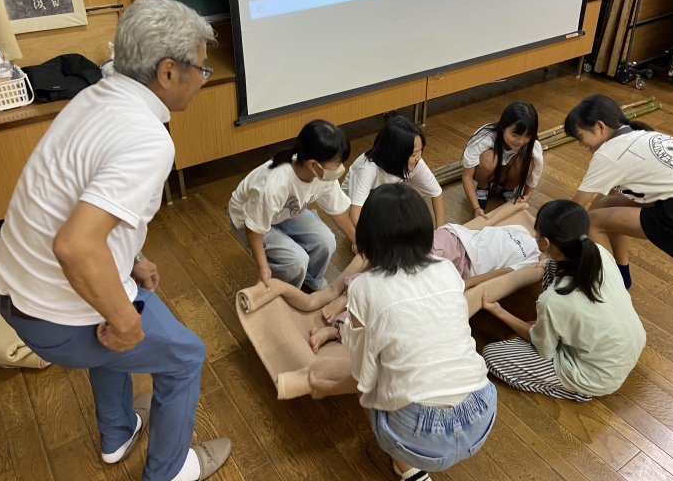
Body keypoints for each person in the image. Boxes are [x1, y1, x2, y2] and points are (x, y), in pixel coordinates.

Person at [0, 0, 232, 481]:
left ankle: (117, 433)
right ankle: (169, 472)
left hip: (12, 292)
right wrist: (124, 322)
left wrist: (132, 258)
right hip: (54, 315)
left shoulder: (94, 96)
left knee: (118, 315)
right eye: (202, 70)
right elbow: (76, 246)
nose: (204, 80)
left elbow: (81, 199)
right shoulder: (148, 140)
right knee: (185, 356)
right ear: (168, 72)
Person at [344, 183, 497, 481]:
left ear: (367, 236)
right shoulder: (445, 268)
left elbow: (364, 374)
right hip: (481, 411)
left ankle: (408, 469)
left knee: (366, 386)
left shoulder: (363, 287)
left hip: (419, 432)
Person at [308, 204, 540, 353]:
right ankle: (348, 294)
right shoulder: (519, 230)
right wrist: (513, 206)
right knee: (396, 267)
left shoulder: (533, 258)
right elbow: (488, 222)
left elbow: (506, 274)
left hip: (462, 269)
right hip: (453, 241)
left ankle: (340, 327)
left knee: (400, 291)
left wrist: (470, 282)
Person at [481, 200, 646, 401]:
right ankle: (556, 330)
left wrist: (498, 311)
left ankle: (579, 391)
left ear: (545, 243)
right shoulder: (598, 251)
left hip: (599, 376)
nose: (534, 237)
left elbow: (542, 347)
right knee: (550, 266)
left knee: (491, 356)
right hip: (629, 344)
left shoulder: (553, 301)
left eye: (536, 235)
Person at [565, 94, 673, 289]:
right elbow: (606, 198)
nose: (581, 144)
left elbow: (574, 208)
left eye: (580, 137)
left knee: (593, 222)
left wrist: (557, 243)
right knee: (607, 206)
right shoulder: (640, 135)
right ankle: (622, 276)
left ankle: (611, 287)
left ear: (600, 127)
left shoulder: (608, 153)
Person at [228, 119, 357, 291]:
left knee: (326, 241)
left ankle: (310, 280)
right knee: (296, 261)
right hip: (247, 219)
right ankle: (283, 293)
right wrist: (263, 267)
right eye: (337, 163)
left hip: (283, 212)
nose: (340, 168)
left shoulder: (322, 175)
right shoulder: (274, 184)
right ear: (313, 165)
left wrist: (359, 242)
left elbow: (337, 210)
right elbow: (253, 229)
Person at [342, 115, 444, 227]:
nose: (418, 157)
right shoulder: (368, 168)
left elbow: (436, 192)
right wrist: (369, 236)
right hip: (356, 211)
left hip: (383, 204)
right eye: (413, 154)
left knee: (415, 195)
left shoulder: (415, 161)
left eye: (421, 150)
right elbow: (355, 214)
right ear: (395, 153)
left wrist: (440, 229)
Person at [461, 101, 543, 213]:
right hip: (487, 174)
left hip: (509, 175)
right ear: (503, 127)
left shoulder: (533, 145)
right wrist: (476, 208)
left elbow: (535, 174)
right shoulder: (485, 137)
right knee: (488, 158)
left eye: (527, 136)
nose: (520, 141)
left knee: (526, 161)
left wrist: (527, 195)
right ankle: (482, 187)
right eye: (515, 135)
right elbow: (467, 176)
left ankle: (508, 189)